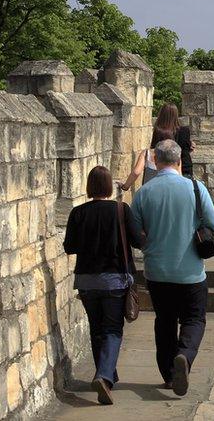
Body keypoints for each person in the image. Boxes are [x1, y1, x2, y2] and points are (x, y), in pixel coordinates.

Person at [130, 139, 214, 396]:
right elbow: (213, 225)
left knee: (165, 321)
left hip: (157, 271)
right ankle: (184, 355)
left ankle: (169, 375)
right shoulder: (195, 188)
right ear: (179, 160)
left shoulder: (144, 192)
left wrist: (149, 244)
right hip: (190, 270)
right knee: (193, 319)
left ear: (155, 161)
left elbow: (136, 232)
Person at [63, 166, 136, 405]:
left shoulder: (78, 212)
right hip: (114, 279)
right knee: (112, 329)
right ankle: (104, 374)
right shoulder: (120, 209)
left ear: (89, 186)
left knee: (96, 328)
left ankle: (107, 375)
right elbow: (138, 239)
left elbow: (70, 247)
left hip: (86, 279)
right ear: (108, 187)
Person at [152, 104, 195, 177]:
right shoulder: (184, 131)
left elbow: (154, 149)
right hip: (184, 167)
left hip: (164, 168)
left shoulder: (159, 131)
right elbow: (185, 151)